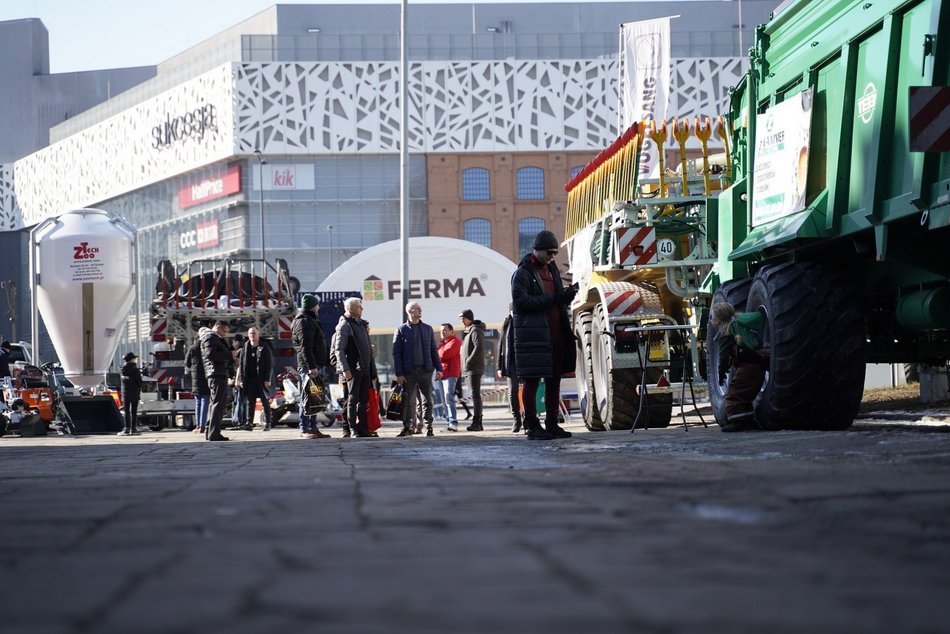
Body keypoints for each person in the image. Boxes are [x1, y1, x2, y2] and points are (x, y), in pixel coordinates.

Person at [511, 230, 577, 440]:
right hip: (534, 337)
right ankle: (531, 426)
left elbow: (555, 299)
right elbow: (521, 303)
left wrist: (566, 296)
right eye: (549, 252)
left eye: (554, 253)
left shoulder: (552, 269)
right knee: (531, 382)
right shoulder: (523, 273)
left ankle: (551, 423)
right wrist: (555, 298)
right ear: (537, 250)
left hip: (556, 336)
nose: (551, 256)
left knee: (554, 382)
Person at [710, 301, 767, 432]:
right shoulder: (739, 324)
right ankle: (748, 420)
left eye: (712, 317)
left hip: (747, 368)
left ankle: (739, 422)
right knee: (745, 394)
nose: (711, 319)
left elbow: (723, 356)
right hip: (757, 364)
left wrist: (721, 372)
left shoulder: (726, 333)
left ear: (718, 321)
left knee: (735, 394)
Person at [392, 301, 443, 437]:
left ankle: (429, 426)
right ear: (410, 311)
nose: (420, 310)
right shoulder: (401, 330)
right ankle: (407, 427)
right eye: (417, 308)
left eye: (420, 308)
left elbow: (433, 350)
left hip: (425, 371)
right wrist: (399, 373)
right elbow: (396, 353)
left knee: (427, 400)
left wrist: (439, 369)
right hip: (408, 372)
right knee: (408, 401)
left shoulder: (428, 329)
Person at [334, 297, 375, 437]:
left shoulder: (360, 324)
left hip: (364, 368)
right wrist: (345, 369)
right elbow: (338, 349)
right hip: (353, 369)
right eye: (359, 307)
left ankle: (362, 427)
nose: (362, 309)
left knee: (363, 400)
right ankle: (353, 428)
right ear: (351, 309)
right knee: (352, 399)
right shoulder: (345, 326)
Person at [292, 293, 330, 439]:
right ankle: (305, 428)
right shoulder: (304, 322)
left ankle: (313, 427)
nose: (318, 307)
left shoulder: (310, 320)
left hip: (314, 365)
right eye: (317, 305)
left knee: (314, 398)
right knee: (307, 397)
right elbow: (305, 347)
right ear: (312, 306)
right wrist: (312, 367)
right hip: (309, 367)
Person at [235, 327, 274, 431]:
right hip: (250, 379)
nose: (252, 335)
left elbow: (269, 364)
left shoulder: (264, 347)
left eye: (254, 333)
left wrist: (267, 378)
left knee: (265, 401)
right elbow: (242, 365)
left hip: (261, 378)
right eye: (250, 333)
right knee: (249, 401)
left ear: (258, 334)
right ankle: (249, 423)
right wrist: (241, 380)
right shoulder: (245, 347)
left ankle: (268, 423)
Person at [200, 320, 233, 441]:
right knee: (218, 404)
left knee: (214, 404)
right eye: (224, 331)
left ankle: (211, 432)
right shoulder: (211, 337)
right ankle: (214, 433)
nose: (224, 334)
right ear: (218, 327)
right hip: (217, 373)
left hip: (215, 373)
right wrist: (230, 355)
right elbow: (211, 354)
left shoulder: (210, 337)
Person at [459, 309, 486, 431]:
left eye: (463, 318)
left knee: (475, 395)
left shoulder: (475, 330)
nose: (461, 320)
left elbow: (478, 347)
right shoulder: (469, 331)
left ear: (469, 318)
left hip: (473, 368)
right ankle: (477, 422)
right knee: (474, 395)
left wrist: (468, 361)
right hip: (470, 368)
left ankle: (477, 422)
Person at [497, 306, 523, 433]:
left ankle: (529, 418)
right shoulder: (506, 324)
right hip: (510, 363)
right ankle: (516, 419)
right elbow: (501, 345)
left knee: (528, 391)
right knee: (513, 392)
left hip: (524, 361)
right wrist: (499, 365)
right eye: (512, 310)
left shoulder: (524, 320)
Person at [184, 330, 210, 434]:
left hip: (195, 379)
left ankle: (199, 425)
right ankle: (203, 425)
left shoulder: (192, 348)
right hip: (206, 376)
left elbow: (187, 363)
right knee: (205, 401)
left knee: (198, 402)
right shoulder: (207, 347)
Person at [437, 323, 461, 431]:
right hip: (442, 374)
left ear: (452, 331)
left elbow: (444, 355)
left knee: (449, 398)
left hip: (451, 374)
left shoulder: (455, 342)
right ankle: (448, 422)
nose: (442, 332)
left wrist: (438, 353)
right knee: (444, 400)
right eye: (441, 330)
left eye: (445, 330)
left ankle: (453, 422)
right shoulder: (442, 344)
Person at [119, 351, 143, 436]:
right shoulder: (135, 370)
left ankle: (126, 428)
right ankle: (133, 429)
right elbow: (140, 383)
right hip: (134, 393)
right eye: (135, 358)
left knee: (126, 411)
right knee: (134, 411)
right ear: (132, 359)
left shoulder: (122, 370)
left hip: (125, 393)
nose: (136, 359)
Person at [230, 334, 246, 428]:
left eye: (233, 342)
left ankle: (239, 421)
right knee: (241, 401)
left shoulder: (239, 351)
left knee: (239, 401)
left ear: (236, 341)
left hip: (240, 380)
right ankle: (240, 420)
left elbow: (239, 367)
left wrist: (237, 380)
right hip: (243, 379)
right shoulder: (245, 349)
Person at [0, 341, 12, 405]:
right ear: (7, 348)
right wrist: (10, 380)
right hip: (1, 379)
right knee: (2, 394)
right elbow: (5, 370)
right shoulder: (3, 355)